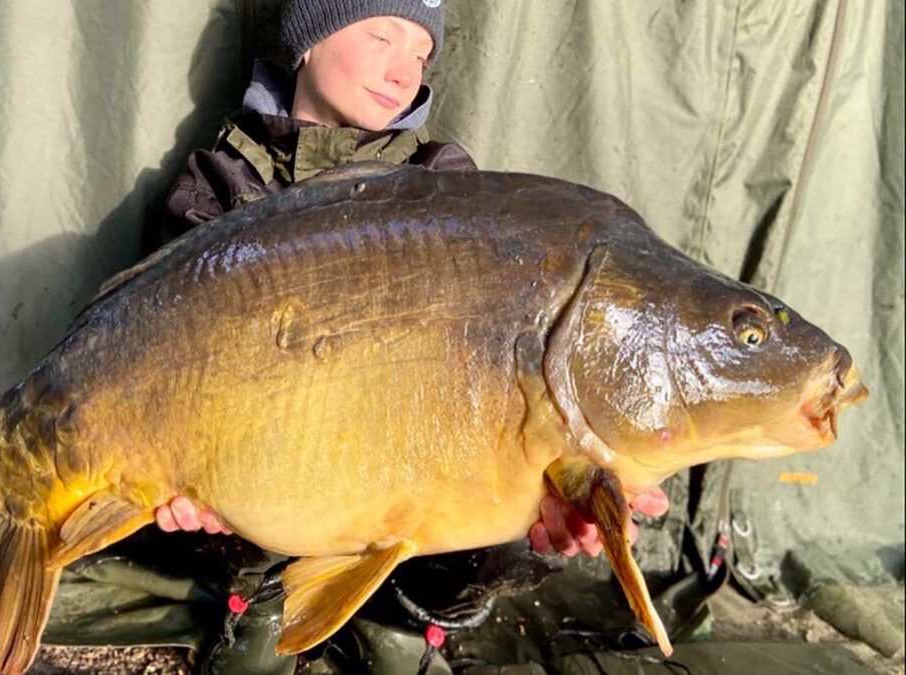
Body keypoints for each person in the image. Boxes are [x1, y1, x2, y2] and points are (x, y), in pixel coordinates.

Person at [151, 0, 669, 563]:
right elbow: (166, 352)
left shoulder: (442, 182)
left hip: (406, 459)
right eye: (381, 38)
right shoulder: (218, 180)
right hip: (269, 466)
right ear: (308, 42)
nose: (405, 74)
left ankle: (407, 628)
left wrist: (578, 482)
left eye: (422, 55)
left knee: (511, 530)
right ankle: (250, 620)